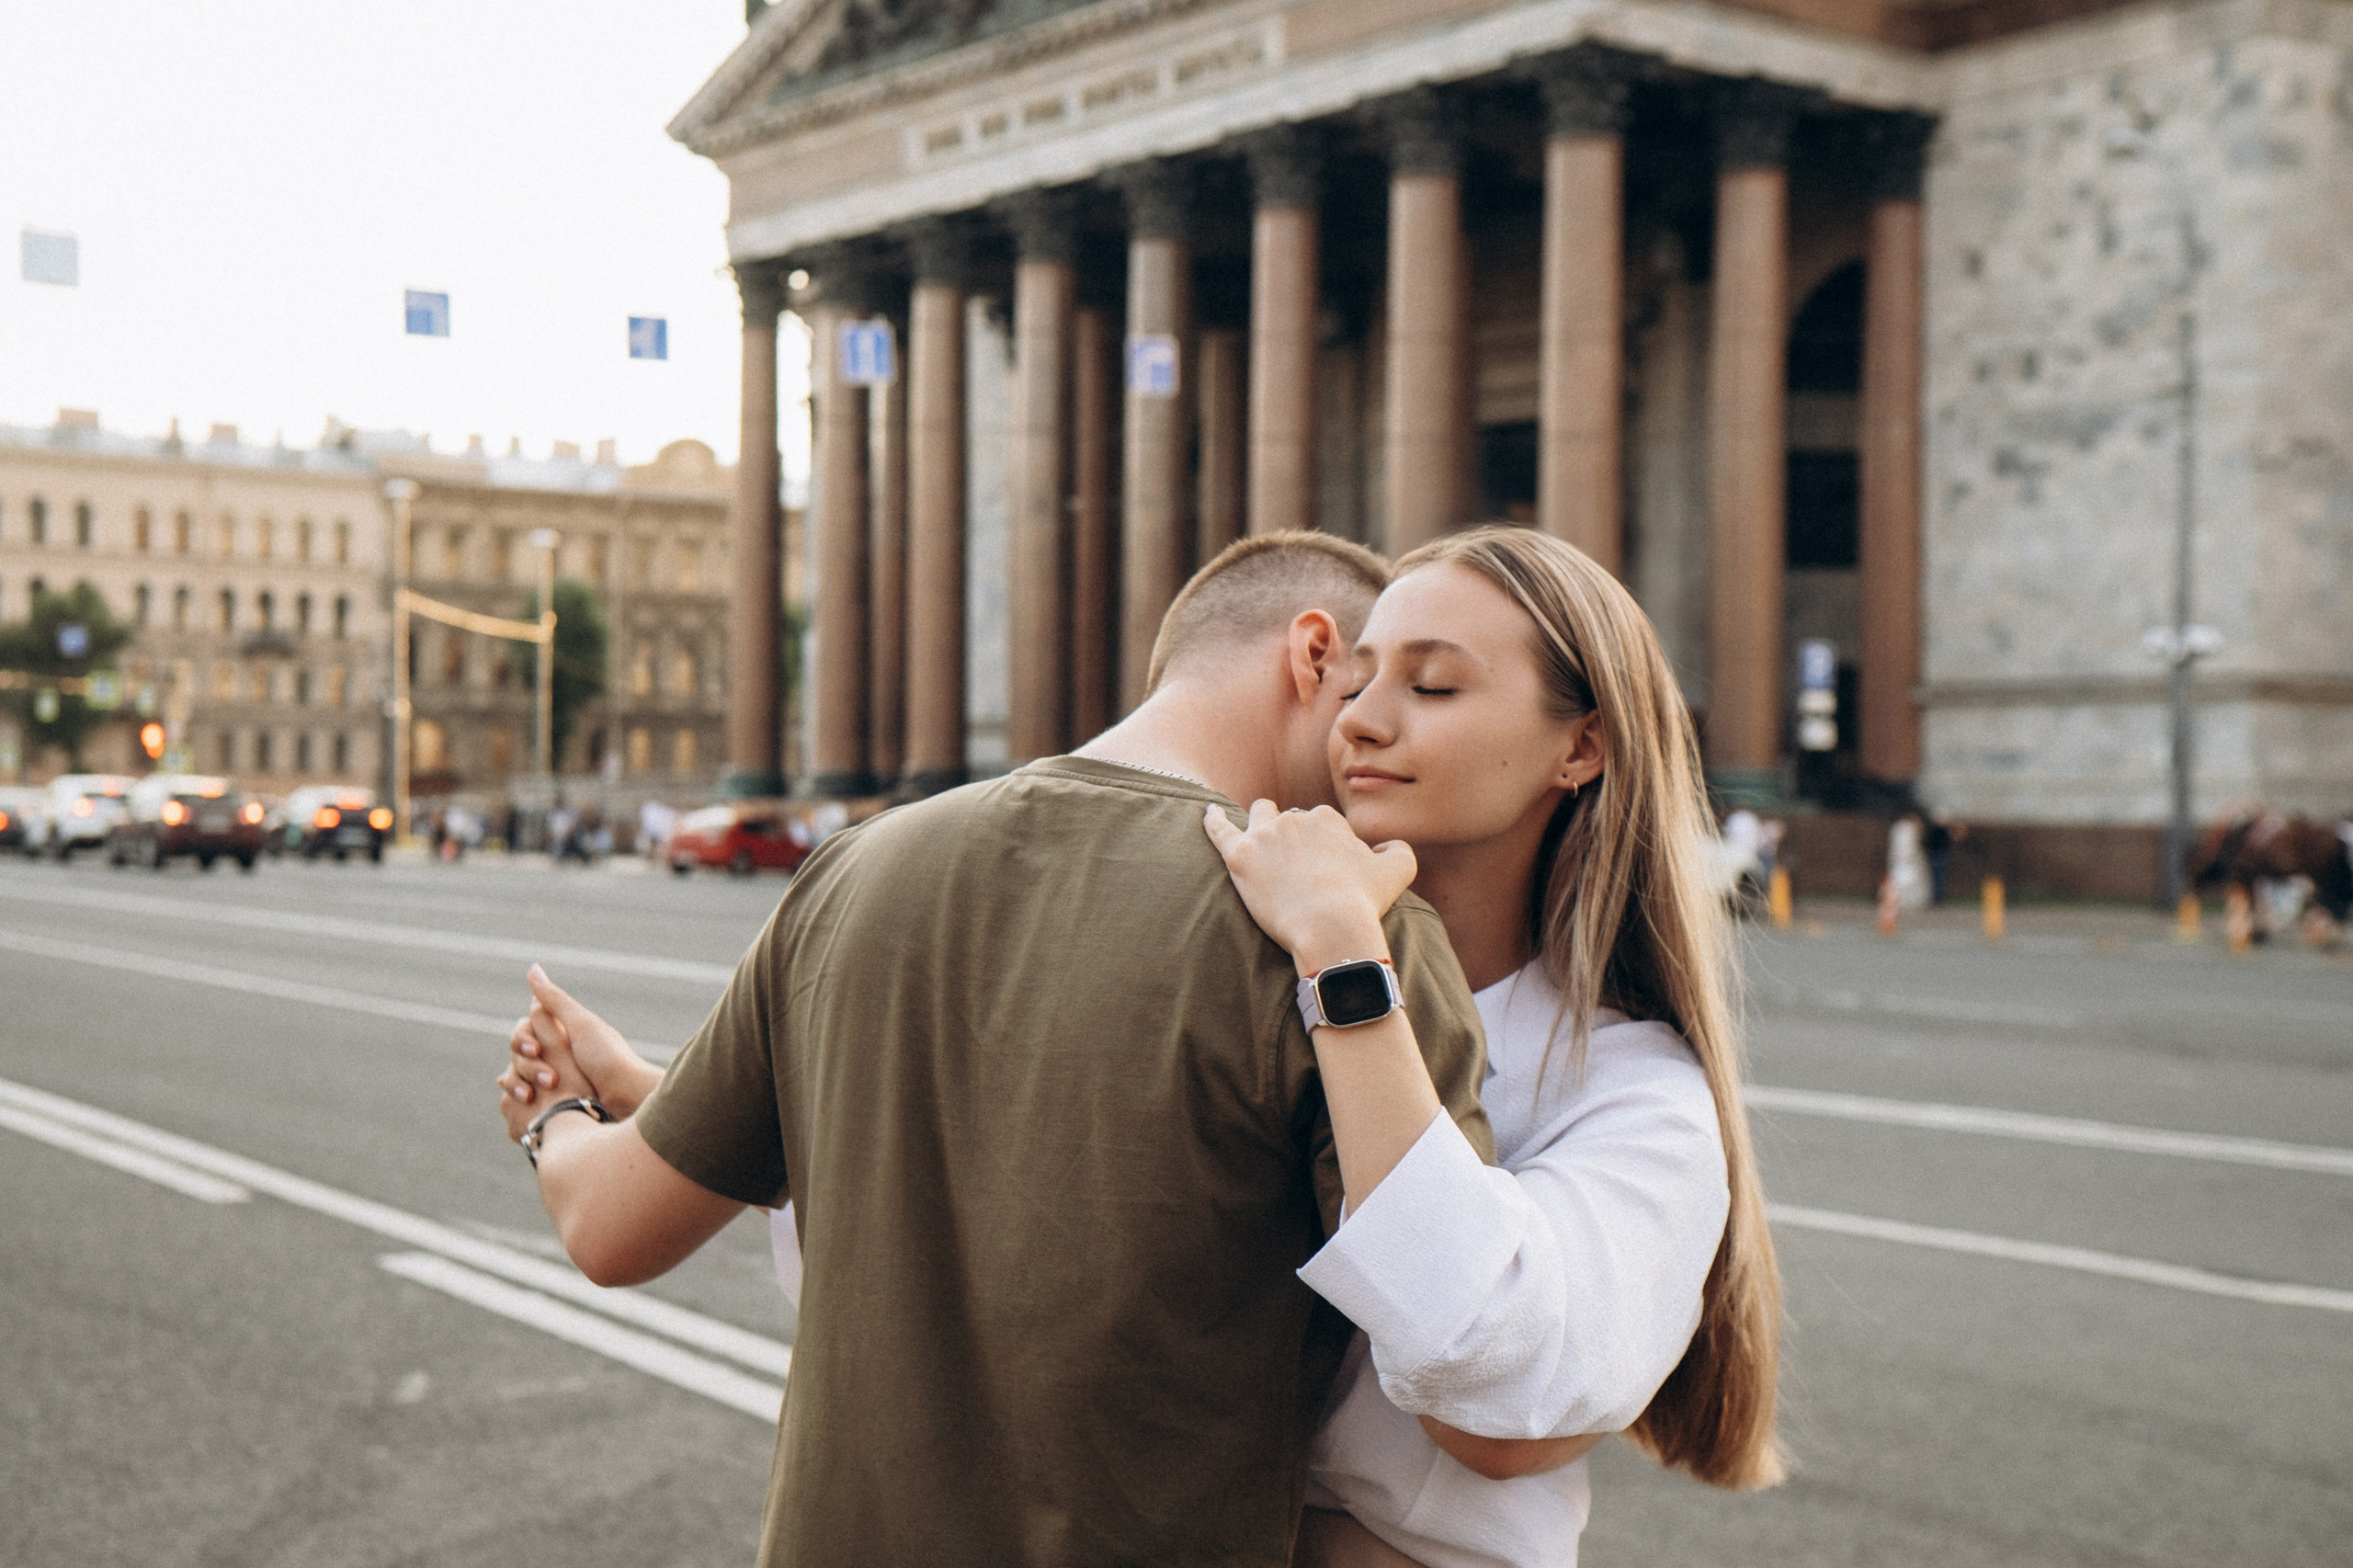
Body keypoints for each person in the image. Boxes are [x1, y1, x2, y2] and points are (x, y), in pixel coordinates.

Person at [495, 533, 1493, 1568]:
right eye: (1377, 689)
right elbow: (1465, 1354)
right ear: (1313, 654)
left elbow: (611, 1227)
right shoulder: (1345, 941)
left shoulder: (853, 871)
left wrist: (554, 1112)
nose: (1378, 743)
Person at [1202, 526, 1783, 1566]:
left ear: (1581, 748)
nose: (1360, 720)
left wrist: (1343, 956)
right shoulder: (1232, 976)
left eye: (1431, 687)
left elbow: (1493, 1407)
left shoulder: (1636, 1092)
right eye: (1357, 680)